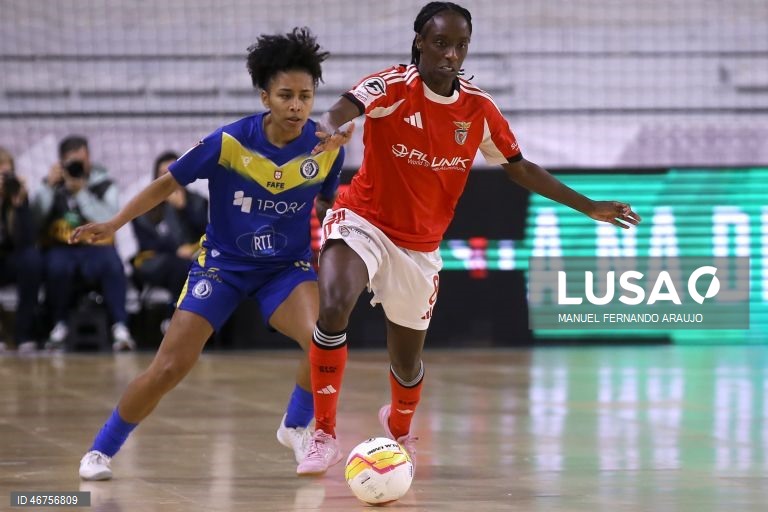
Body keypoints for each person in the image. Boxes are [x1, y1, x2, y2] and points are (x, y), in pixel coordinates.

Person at [295, 1, 642, 476]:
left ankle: (398, 427)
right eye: (440, 43)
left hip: (418, 247)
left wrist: (589, 206)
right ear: (420, 42)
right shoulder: (395, 86)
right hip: (363, 220)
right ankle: (323, 434)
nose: (451, 55)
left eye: (460, 46)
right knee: (334, 306)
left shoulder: (478, 109)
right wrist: (327, 127)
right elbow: (346, 106)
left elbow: (518, 167)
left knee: (407, 362)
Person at [72, 27, 346, 480]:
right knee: (169, 368)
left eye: (306, 95)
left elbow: (327, 202)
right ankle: (100, 450)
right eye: (285, 95)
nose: (297, 105)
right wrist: (115, 223)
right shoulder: (229, 142)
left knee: (323, 339)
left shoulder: (325, 149)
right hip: (221, 267)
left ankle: (296, 426)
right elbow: (168, 184)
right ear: (265, 98)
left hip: (284, 269)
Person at [32, 135, 136, 351]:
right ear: (61, 162)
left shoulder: (104, 184)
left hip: (97, 247)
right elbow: (35, 219)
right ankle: (59, 325)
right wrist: (47, 187)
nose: (79, 165)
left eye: (82, 159)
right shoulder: (52, 185)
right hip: (63, 248)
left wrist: (81, 193)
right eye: (72, 162)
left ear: (89, 158)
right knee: (55, 267)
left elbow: (109, 218)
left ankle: (120, 326)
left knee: (113, 265)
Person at [130, 151, 208, 330]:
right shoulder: (146, 205)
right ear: (156, 177)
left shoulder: (196, 201)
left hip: (191, 259)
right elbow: (146, 242)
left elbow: (205, 230)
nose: (169, 179)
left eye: (174, 172)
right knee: (178, 266)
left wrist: (183, 208)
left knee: (192, 268)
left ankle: (192, 323)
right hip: (155, 261)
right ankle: (173, 320)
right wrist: (175, 249)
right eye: (163, 174)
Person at [0, 147, 43, 353]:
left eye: (7, 174)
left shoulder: (17, 197)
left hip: (11, 261)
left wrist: (18, 206)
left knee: (32, 260)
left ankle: (23, 334)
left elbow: (27, 241)